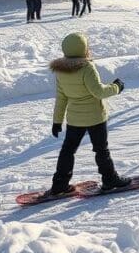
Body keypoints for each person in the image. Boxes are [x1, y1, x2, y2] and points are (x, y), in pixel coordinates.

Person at [46, 32, 129, 196]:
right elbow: (98, 92)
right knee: (101, 149)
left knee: (68, 150)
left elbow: (61, 98)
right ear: (83, 49)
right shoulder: (87, 67)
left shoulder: (60, 70)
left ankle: (59, 184)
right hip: (95, 117)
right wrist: (116, 87)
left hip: (75, 119)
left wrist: (57, 121)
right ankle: (110, 179)